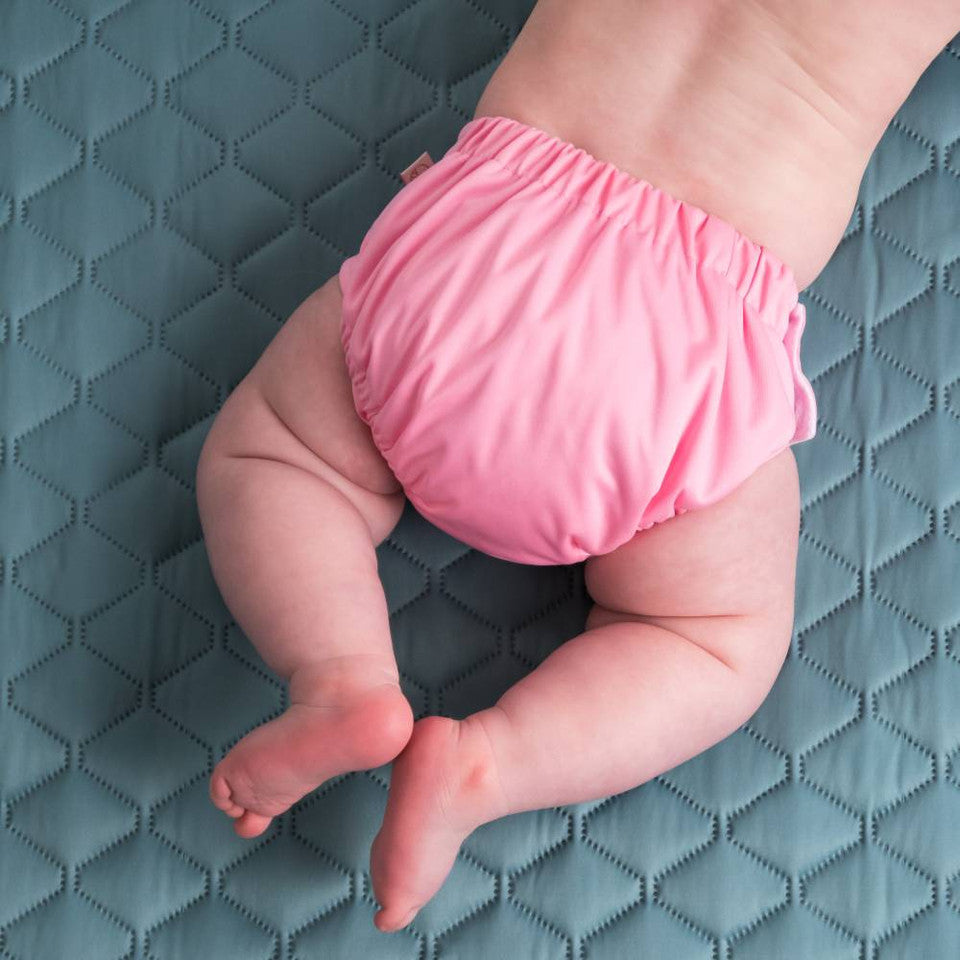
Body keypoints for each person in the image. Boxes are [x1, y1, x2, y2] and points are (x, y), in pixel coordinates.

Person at [195, 0, 960, 932]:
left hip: (493, 230)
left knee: (279, 453)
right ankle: (487, 768)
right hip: (689, 335)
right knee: (709, 639)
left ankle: (340, 678)